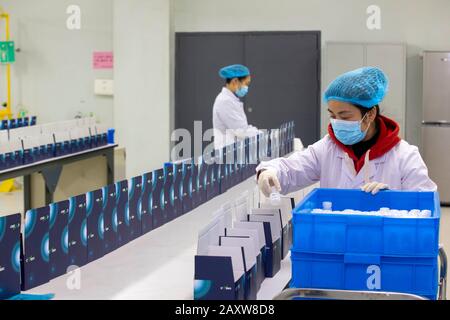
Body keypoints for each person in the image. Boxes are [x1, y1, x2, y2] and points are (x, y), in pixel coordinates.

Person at [256, 66, 437, 197]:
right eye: (332, 115)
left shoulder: (404, 156)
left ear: (370, 114)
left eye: (345, 116)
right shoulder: (327, 148)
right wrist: (269, 171)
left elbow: (424, 207)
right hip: (338, 243)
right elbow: (292, 169)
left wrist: (394, 201)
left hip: (384, 246)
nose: (337, 123)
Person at [213, 64, 259, 149]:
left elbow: (242, 127)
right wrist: (262, 135)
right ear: (235, 81)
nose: (247, 87)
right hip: (227, 154)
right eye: (246, 84)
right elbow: (241, 131)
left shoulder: (231, 100)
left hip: (232, 152)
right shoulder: (225, 101)